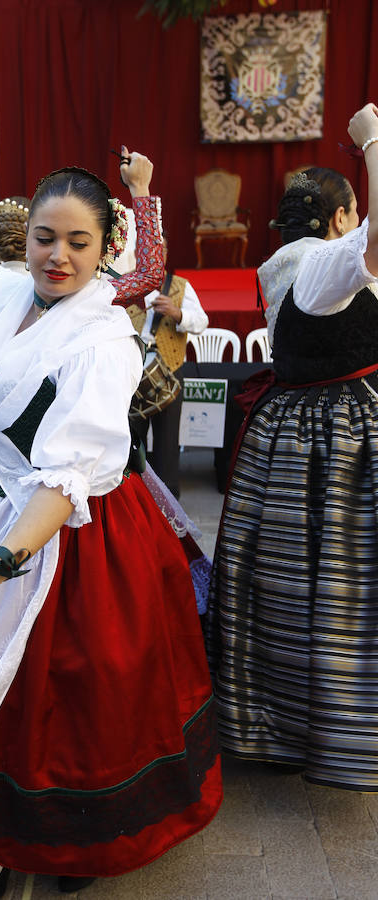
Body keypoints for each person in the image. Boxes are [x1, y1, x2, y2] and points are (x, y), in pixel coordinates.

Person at [0, 116, 222, 898]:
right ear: (25, 239)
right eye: (43, 238)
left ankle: (75, 839)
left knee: (74, 682)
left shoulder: (99, 340)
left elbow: (68, 481)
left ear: (106, 253)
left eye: (77, 243)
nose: (56, 255)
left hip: (71, 532)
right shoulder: (5, 294)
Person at [205, 101, 378, 791]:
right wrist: (371, 140)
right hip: (339, 436)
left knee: (285, 585)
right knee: (340, 582)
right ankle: (332, 726)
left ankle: (276, 719)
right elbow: (370, 250)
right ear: (339, 218)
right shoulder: (326, 263)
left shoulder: (283, 262)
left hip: (288, 431)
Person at [132, 235, 209, 498]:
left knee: (167, 440)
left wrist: (177, 313)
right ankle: (132, 498)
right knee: (130, 439)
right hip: (130, 373)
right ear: (136, 252)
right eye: (146, 250)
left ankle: (168, 501)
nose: (153, 255)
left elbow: (201, 322)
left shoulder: (180, 286)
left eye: (158, 250)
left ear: (165, 254)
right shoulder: (124, 286)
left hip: (170, 370)